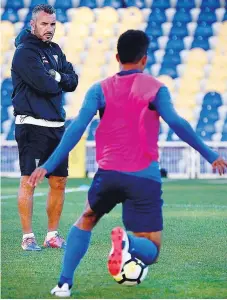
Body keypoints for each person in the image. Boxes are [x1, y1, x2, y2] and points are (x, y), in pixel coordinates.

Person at [28, 30, 227, 296]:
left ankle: (64, 283)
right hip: (144, 177)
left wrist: (49, 164)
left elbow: (76, 128)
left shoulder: (99, 88)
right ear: (144, 59)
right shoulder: (155, 88)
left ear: (117, 57)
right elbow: (177, 123)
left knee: (86, 219)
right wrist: (210, 155)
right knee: (152, 249)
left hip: (108, 174)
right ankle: (128, 242)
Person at [11, 4, 78, 251]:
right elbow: (45, 85)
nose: (49, 29)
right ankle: (28, 237)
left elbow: (72, 80)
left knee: (59, 181)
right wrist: (59, 79)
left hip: (56, 126)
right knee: (29, 180)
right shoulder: (24, 53)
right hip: (32, 125)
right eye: (44, 24)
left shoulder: (56, 50)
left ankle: (52, 235)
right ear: (33, 24)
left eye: (52, 25)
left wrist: (58, 76)